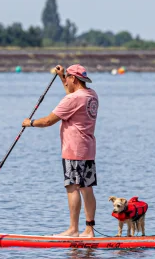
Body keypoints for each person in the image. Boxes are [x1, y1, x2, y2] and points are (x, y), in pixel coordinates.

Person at [22, 64, 99, 237]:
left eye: (68, 78)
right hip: (88, 149)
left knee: (72, 187)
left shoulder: (72, 100)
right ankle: (89, 230)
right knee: (87, 188)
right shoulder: (91, 95)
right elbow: (72, 95)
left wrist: (30, 122)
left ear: (74, 79)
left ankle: (73, 229)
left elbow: (49, 120)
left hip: (73, 149)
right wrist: (61, 76)